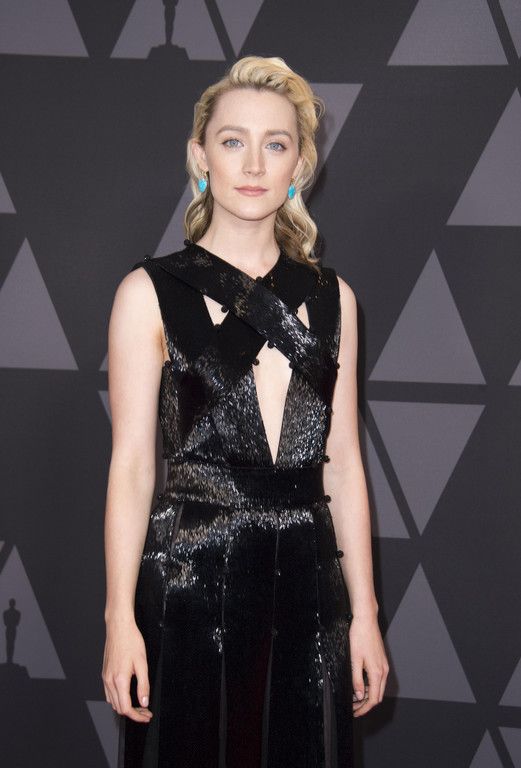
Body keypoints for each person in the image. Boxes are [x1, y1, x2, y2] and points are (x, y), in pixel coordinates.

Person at [102, 55, 388, 768]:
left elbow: (343, 467)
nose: (254, 164)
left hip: (308, 589)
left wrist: (365, 615)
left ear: (299, 166)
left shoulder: (334, 299)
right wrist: (118, 617)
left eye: (275, 143)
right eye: (233, 141)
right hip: (187, 586)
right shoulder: (147, 294)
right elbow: (133, 467)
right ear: (201, 157)